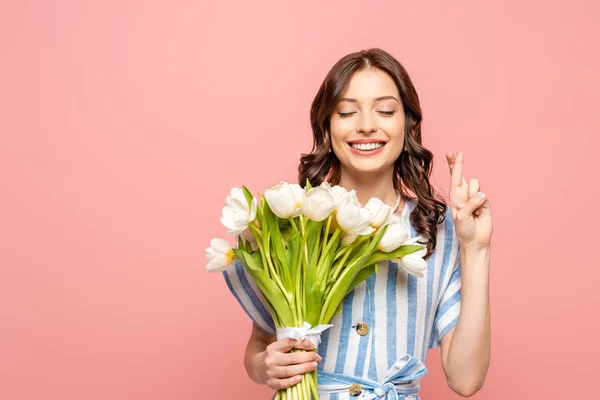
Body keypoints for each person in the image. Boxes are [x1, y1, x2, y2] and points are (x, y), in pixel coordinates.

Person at [223, 48, 493, 399]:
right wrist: (264, 367)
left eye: (385, 110)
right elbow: (260, 342)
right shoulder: (295, 222)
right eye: (347, 111)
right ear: (327, 125)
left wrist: (476, 248)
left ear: (407, 124)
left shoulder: (437, 231)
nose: (366, 124)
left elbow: (465, 379)